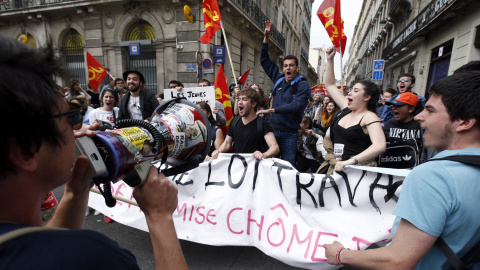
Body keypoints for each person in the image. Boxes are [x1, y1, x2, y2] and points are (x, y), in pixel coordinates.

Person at [0, 36, 187, 269]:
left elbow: (41, 248)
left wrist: (75, 193)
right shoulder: (92, 257)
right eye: (72, 118)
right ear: (27, 151)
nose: (83, 129)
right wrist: (160, 216)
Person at [324, 65, 480, 269]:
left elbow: (398, 260)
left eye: (430, 111)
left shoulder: (431, 176)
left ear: (465, 122)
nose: (419, 117)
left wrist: (340, 255)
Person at [324, 46, 386, 171]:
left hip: (358, 171)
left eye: (356, 91)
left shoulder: (369, 117)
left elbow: (380, 146)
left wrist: (351, 161)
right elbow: (330, 85)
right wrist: (330, 60)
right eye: (351, 90)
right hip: (337, 168)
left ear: (367, 97)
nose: (350, 93)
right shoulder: (346, 108)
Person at [258, 20, 311, 167]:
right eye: (285, 66)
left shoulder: (303, 85)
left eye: (291, 66)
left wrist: (273, 109)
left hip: (289, 134)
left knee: (287, 168)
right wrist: (266, 39)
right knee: (270, 166)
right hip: (273, 132)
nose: (288, 68)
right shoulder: (279, 78)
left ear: (297, 68)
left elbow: (295, 106)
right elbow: (264, 60)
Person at [211, 88, 279, 160]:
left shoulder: (263, 125)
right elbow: (227, 143)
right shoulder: (234, 122)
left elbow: (274, 147)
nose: (240, 102)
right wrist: (218, 151)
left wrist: (264, 155)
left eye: (244, 99)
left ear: (253, 104)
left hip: (255, 167)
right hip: (238, 166)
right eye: (239, 99)